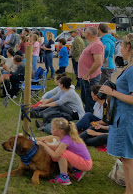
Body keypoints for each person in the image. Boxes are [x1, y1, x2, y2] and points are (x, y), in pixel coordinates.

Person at [100, 33, 133, 193]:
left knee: (127, 158)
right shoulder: (129, 67)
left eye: (121, 45)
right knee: (127, 157)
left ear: (128, 47)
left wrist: (112, 93)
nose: (119, 48)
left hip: (126, 118)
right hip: (123, 116)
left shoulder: (132, 70)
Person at [37, 118, 92, 185]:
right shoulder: (64, 137)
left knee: (61, 154)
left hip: (85, 163)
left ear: (60, 131)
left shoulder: (66, 140)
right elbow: (58, 147)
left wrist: (44, 145)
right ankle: (77, 171)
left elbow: (55, 154)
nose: (51, 129)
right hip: (84, 162)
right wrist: (47, 144)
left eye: (53, 128)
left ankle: (64, 178)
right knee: (57, 157)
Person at [78, 27, 104, 113]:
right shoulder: (92, 44)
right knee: (86, 99)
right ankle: (87, 119)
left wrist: (88, 74)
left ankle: (91, 120)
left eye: (84, 32)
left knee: (90, 101)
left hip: (90, 77)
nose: (83, 33)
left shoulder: (96, 44)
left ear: (88, 34)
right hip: (86, 77)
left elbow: (98, 62)